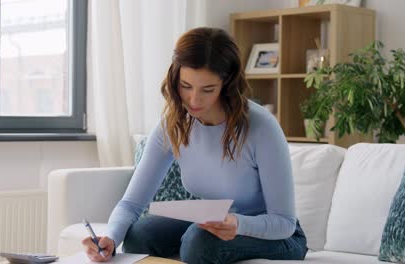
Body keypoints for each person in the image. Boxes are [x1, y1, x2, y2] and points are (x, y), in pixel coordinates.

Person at [82, 27, 308, 264]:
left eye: (207, 89)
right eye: (186, 86)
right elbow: (131, 203)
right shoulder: (173, 126)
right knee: (140, 234)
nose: (194, 100)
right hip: (215, 222)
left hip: (279, 237)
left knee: (199, 242)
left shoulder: (261, 127)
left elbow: (284, 222)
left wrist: (238, 223)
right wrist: (110, 239)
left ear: (227, 84)